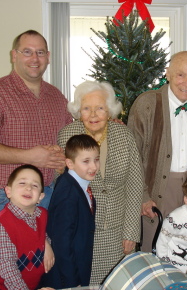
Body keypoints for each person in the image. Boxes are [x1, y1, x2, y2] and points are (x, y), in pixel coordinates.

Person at [0, 30, 73, 266]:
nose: (34, 58)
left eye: (40, 52)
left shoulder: (56, 97)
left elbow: (70, 138)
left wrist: (106, 123)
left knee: (37, 268)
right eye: (27, 51)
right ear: (14, 55)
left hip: (44, 197)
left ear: (48, 56)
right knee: (3, 271)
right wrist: (30, 157)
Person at [57, 80, 144, 284]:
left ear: (110, 110)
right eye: (87, 108)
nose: (93, 114)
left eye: (100, 108)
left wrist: (131, 232)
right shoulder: (67, 136)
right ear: (79, 111)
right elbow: (60, 187)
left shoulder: (124, 135)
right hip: (80, 230)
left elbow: (134, 184)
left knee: (116, 283)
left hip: (117, 232)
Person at [127, 51, 187, 252]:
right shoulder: (147, 103)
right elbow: (133, 156)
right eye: (180, 75)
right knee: (155, 249)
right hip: (158, 188)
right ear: (168, 74)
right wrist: (143, 197)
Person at [40, 134, 99, 288]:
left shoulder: (79, 185)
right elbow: (62, 243)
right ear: (70, 163)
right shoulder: (68, 192)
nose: (93, 166)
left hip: (77, 269)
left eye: (96, 159)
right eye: (86, 161)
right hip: (65, 277)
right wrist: (73, 282)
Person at [0, 164, 55, 290]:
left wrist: (47, 244)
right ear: (8, 191)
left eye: (35, 185)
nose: (28, 188)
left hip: (32, 283)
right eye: (22, 183)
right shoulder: (3, 225)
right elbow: (8, 269)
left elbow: (40, 234)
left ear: (40, 197)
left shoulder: (42, 215)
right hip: (5, 287)